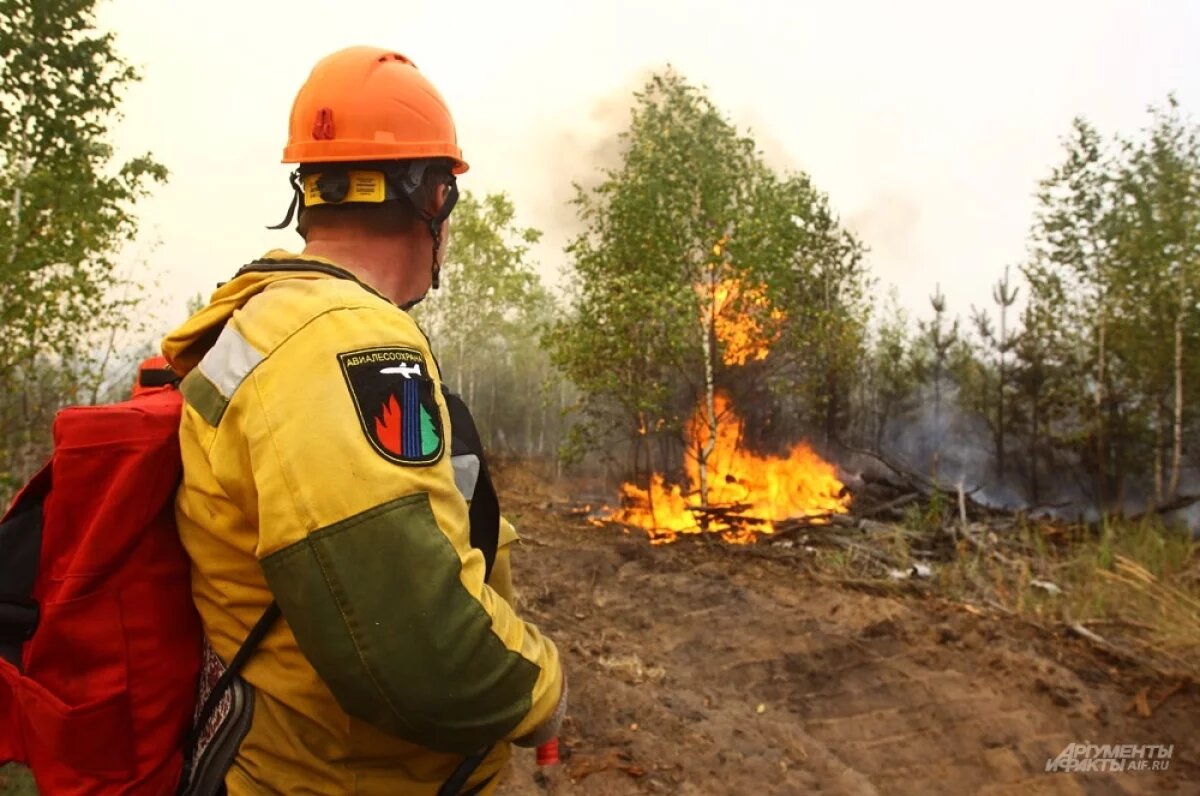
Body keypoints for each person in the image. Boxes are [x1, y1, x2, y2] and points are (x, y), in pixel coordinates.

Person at [161, 46, 566, 795]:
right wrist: (543, 689)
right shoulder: (343, 342)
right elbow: (419, 646)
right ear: (434, 197)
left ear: (310, 193)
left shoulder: (274, 321)